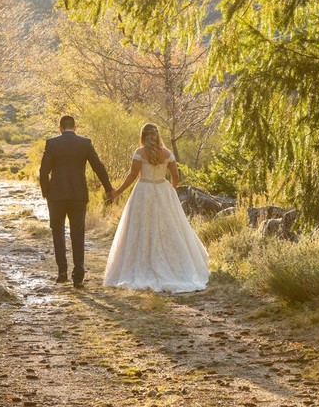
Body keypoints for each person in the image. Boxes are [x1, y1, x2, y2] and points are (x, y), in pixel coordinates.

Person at [104, 123, 209, 293]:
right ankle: (173, 265)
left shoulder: (140, 153)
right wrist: (171, 191)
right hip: (162, 190)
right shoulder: (167, 154)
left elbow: (132, 175)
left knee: (141, 226)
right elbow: (175, 175)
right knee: (166, 227)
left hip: (143, 191)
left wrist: (118, 192)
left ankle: (142, 263)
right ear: (158, 135)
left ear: (143, 136)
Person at [38, 114, 115, 288]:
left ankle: (62, 272)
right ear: (75, 127)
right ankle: (78, 276)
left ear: (60, 128)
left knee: (57, 232)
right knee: (78, 234)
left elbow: (43, 172)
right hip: (78, 195)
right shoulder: (85, 143)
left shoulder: (52, 143)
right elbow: (98, 167)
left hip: (56, 196)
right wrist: (108, 188)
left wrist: (46, 192)